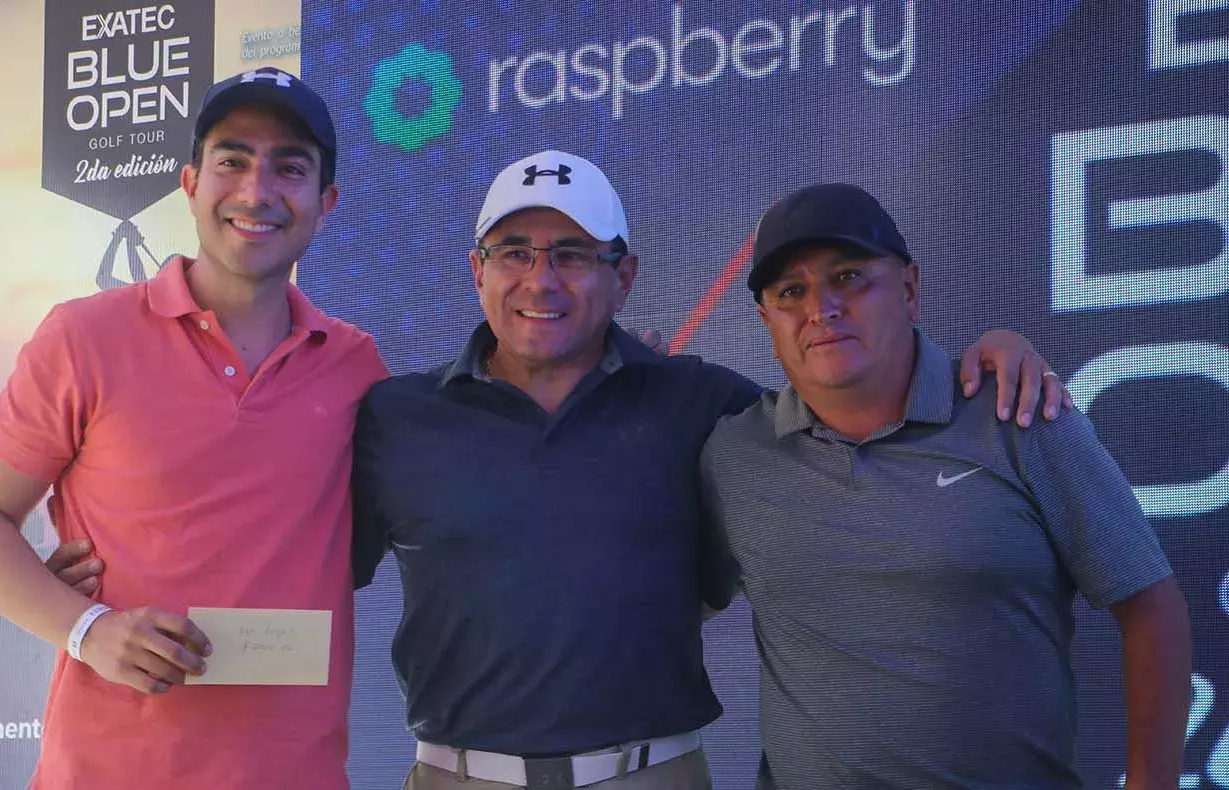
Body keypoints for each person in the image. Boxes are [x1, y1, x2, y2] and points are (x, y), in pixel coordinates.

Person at [347, 151, 1070, 790]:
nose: (542, 280)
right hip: (455, 776)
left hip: (651, 775)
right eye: (513, 252)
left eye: (572, 253)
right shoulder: (396, 416)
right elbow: (304, 568)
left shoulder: (702, 404)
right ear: (477, 271)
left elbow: (854, 415)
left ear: (623, 277)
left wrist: (990, 352)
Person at [0, 67, 386, 790]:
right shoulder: (83, 337)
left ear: (324, 202)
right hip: (107, 771)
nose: (256, 190)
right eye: (231, 160)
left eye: (290, 168)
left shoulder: (356, 365)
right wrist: (85, 629)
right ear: (189, 183)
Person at [699, 183, 1192, 790]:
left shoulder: (1019, 411)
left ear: (909, 288)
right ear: (766, 317)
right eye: (791, 292)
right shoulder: (733, 453)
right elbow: (667, 603)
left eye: (849, 277)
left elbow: (1150, 606)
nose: (820, 309)